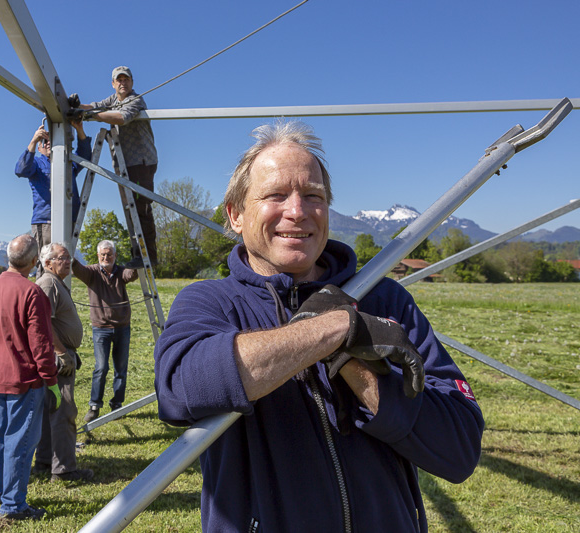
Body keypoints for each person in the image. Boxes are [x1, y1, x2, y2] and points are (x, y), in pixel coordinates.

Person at [153, 121, 484, 532]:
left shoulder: (385, 300)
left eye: (314, 196)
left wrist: (357, 362)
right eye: (275, 195)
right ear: (236, 215)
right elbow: (181, 389)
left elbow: (459, 450)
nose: (298, 211)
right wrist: (333, 329)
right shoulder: (210, 302)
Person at [0, 234, 61, 521]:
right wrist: (51, 380)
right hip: (25, 379)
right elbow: (41, 343)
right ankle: (13, 504)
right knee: (20, 440)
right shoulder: (31, 293)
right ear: (36, 261)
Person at [75, 66, 158, 266]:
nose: (123, 83)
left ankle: (148, 256)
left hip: (141, 161)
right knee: (130, 210)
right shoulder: (113, 100)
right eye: (119, 80)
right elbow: (95, 106)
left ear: (132, 82)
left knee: (141, 208)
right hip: (124, 164)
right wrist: (77, 107)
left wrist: (91, 116)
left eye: (126, 79)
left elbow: (122, 118)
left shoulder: (135, 99)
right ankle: (137, 254)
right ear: (113, 84)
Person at [33, 242, 94, 482]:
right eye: (62, 258)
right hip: (58, 357)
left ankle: (45, 461)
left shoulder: (55, 282)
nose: (67, 262)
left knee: (54, 409)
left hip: (61, 354)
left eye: (69, 258)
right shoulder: (48, 284)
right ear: (48, 263)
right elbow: (43, 323)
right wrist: (61, 353)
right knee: (64, 411)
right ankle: (65, 469)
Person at [72, 240, 139, 422]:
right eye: (102, 254)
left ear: (115, 255)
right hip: (101, 328)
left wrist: (137, 258)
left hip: (122, 327)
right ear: (98, 256)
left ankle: (116, 404)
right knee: (101, 367)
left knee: (121, 369)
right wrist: (68, 254)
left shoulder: (121, 272)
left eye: (109, 254)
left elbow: (131, 274)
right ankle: (94, 405)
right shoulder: (92, 273)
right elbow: (77, 269)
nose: (106, 257)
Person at [14, 120, 92, 275]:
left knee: (63, 263)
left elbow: (85, 156)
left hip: (69, 218)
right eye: (44, 141)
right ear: (39, 147)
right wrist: (33, 140)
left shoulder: (68, 162)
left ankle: (60, 291)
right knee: (46, 264)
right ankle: (43, 291)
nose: (48, 143)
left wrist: (79, 129)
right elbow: (21, 169)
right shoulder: (36, 163)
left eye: (52, 140)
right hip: (46, 221)